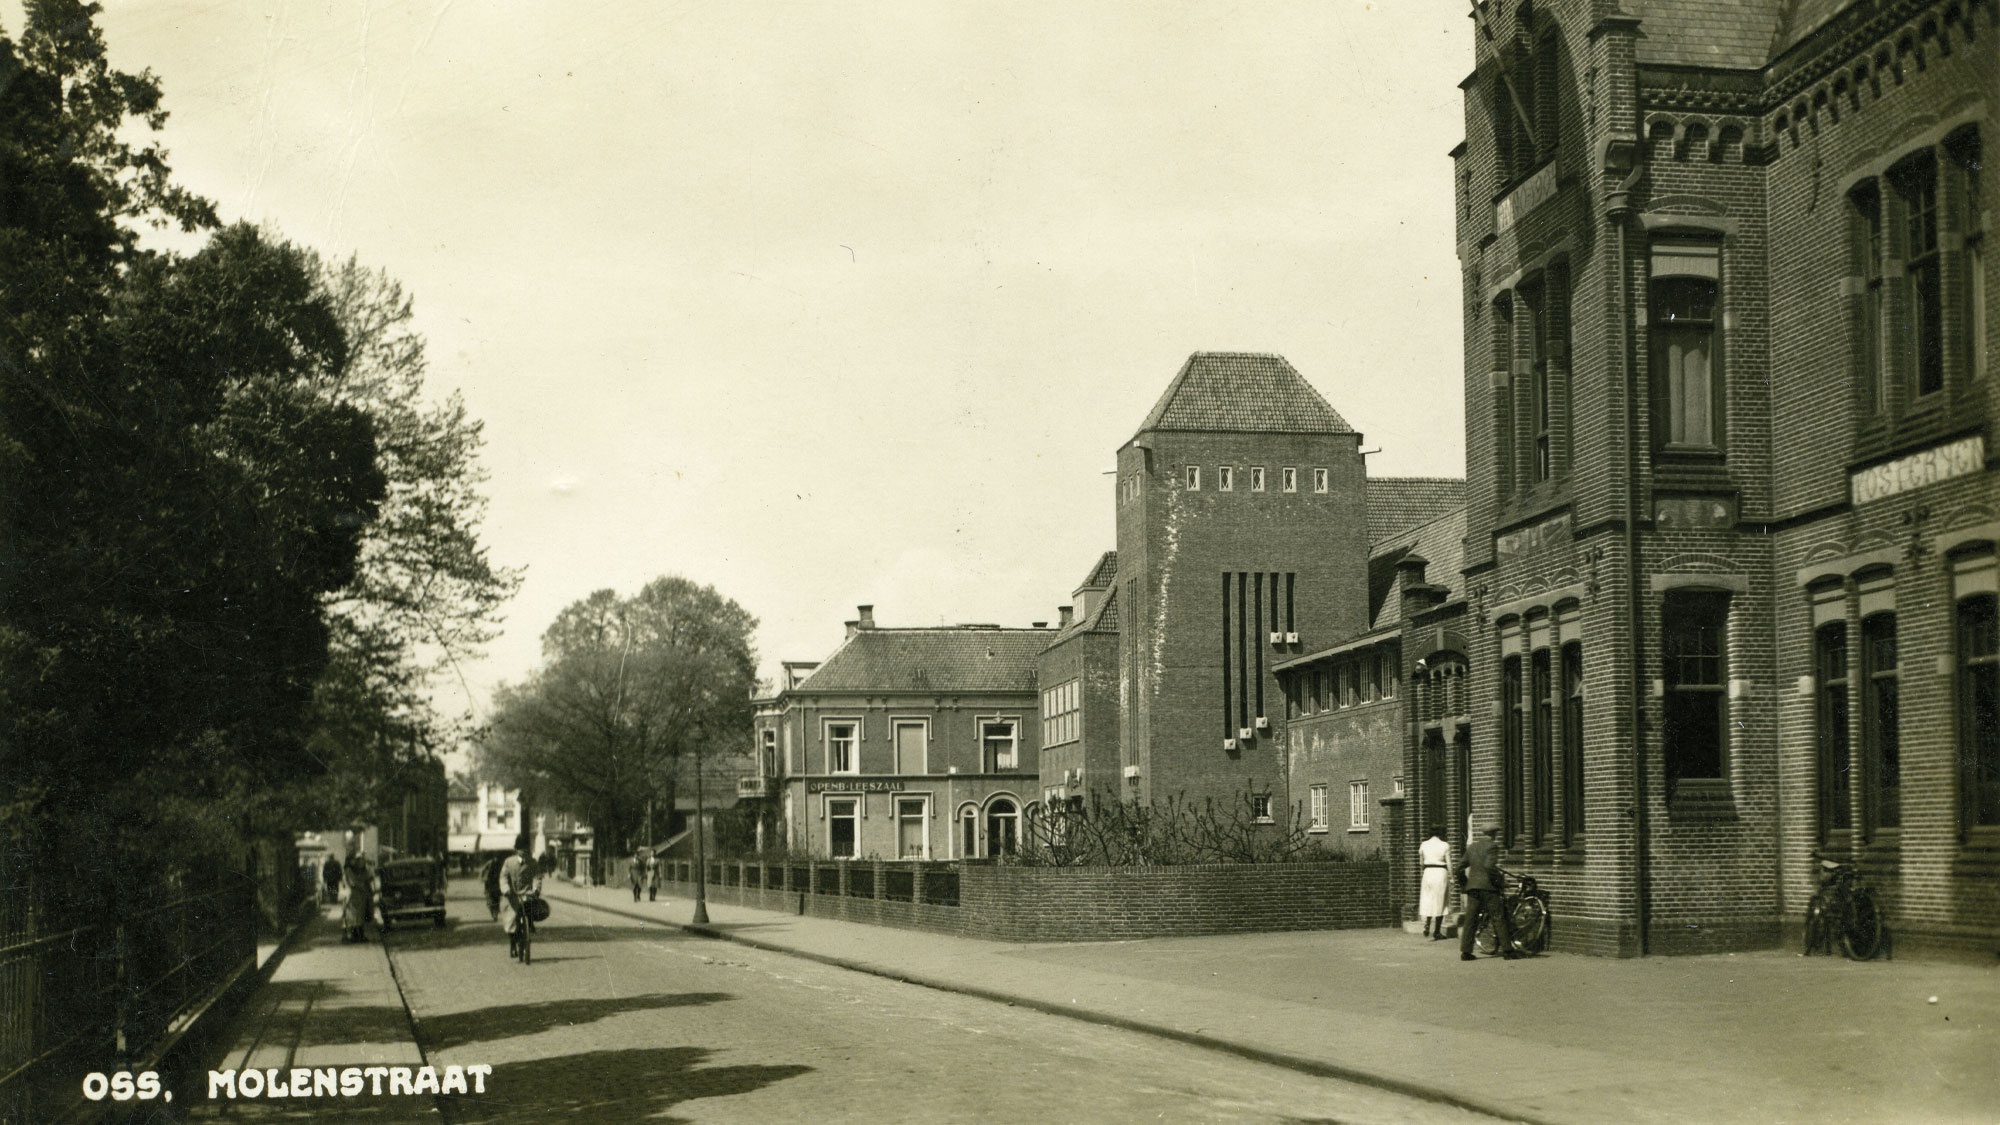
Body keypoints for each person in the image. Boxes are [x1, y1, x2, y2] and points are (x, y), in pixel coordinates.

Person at [1455, 824, 1519, 961]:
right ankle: (1507, 950)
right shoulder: (1492, 846)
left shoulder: (1472, 847)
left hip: (1473, 888)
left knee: (1471, 919)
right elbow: (1489, 867)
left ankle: (1466, 952)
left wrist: (1465, 884)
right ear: (1494, 833)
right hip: (1488, 888)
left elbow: (1458, 867)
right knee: (1497, 917)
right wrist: (1501, 883)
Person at [499, 834, 541, 959]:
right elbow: (503, 877)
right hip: (512, 895)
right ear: (516, 849)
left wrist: (536, 890)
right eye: (520, 849)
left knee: (531, 911)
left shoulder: (532, 863)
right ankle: (513, 943)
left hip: (527, 894)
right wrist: (506, 889)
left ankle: (529, 927)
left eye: (525, 849)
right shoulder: (509, 862)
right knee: (510, 921)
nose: (523, 851)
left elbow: (537, 877)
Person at [1418, 827, 1452, 940]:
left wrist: (1425, 870)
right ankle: (1437, 931)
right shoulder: (1445, 845)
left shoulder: (1424, 844)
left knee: (1428, 899)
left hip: (1428, 873)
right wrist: (1451, 877)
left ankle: (1427, 923)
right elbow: (1449, 863)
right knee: (1440, 901)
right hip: (1440, 873)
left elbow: (1421, 863)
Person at [341, 852, 373, 943]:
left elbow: (367, 877)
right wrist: (362, 886)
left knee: (359, 917)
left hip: (359, 896)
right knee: (353, 917)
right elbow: (353, 882)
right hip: (352, 896)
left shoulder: (357, 869)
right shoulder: (349, 870)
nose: (355, 862)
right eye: (354, 860)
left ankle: (359, 935)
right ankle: (354, 936)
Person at [480, 852, 503, 921]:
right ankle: (494, 913)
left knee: (496, 899)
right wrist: (482, 878)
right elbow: (482, 870)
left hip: (496, 884)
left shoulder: (500, 864)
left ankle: (495, 913)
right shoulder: (490, 863)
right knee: (490, 899)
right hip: (490, 883)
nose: (496, 858)